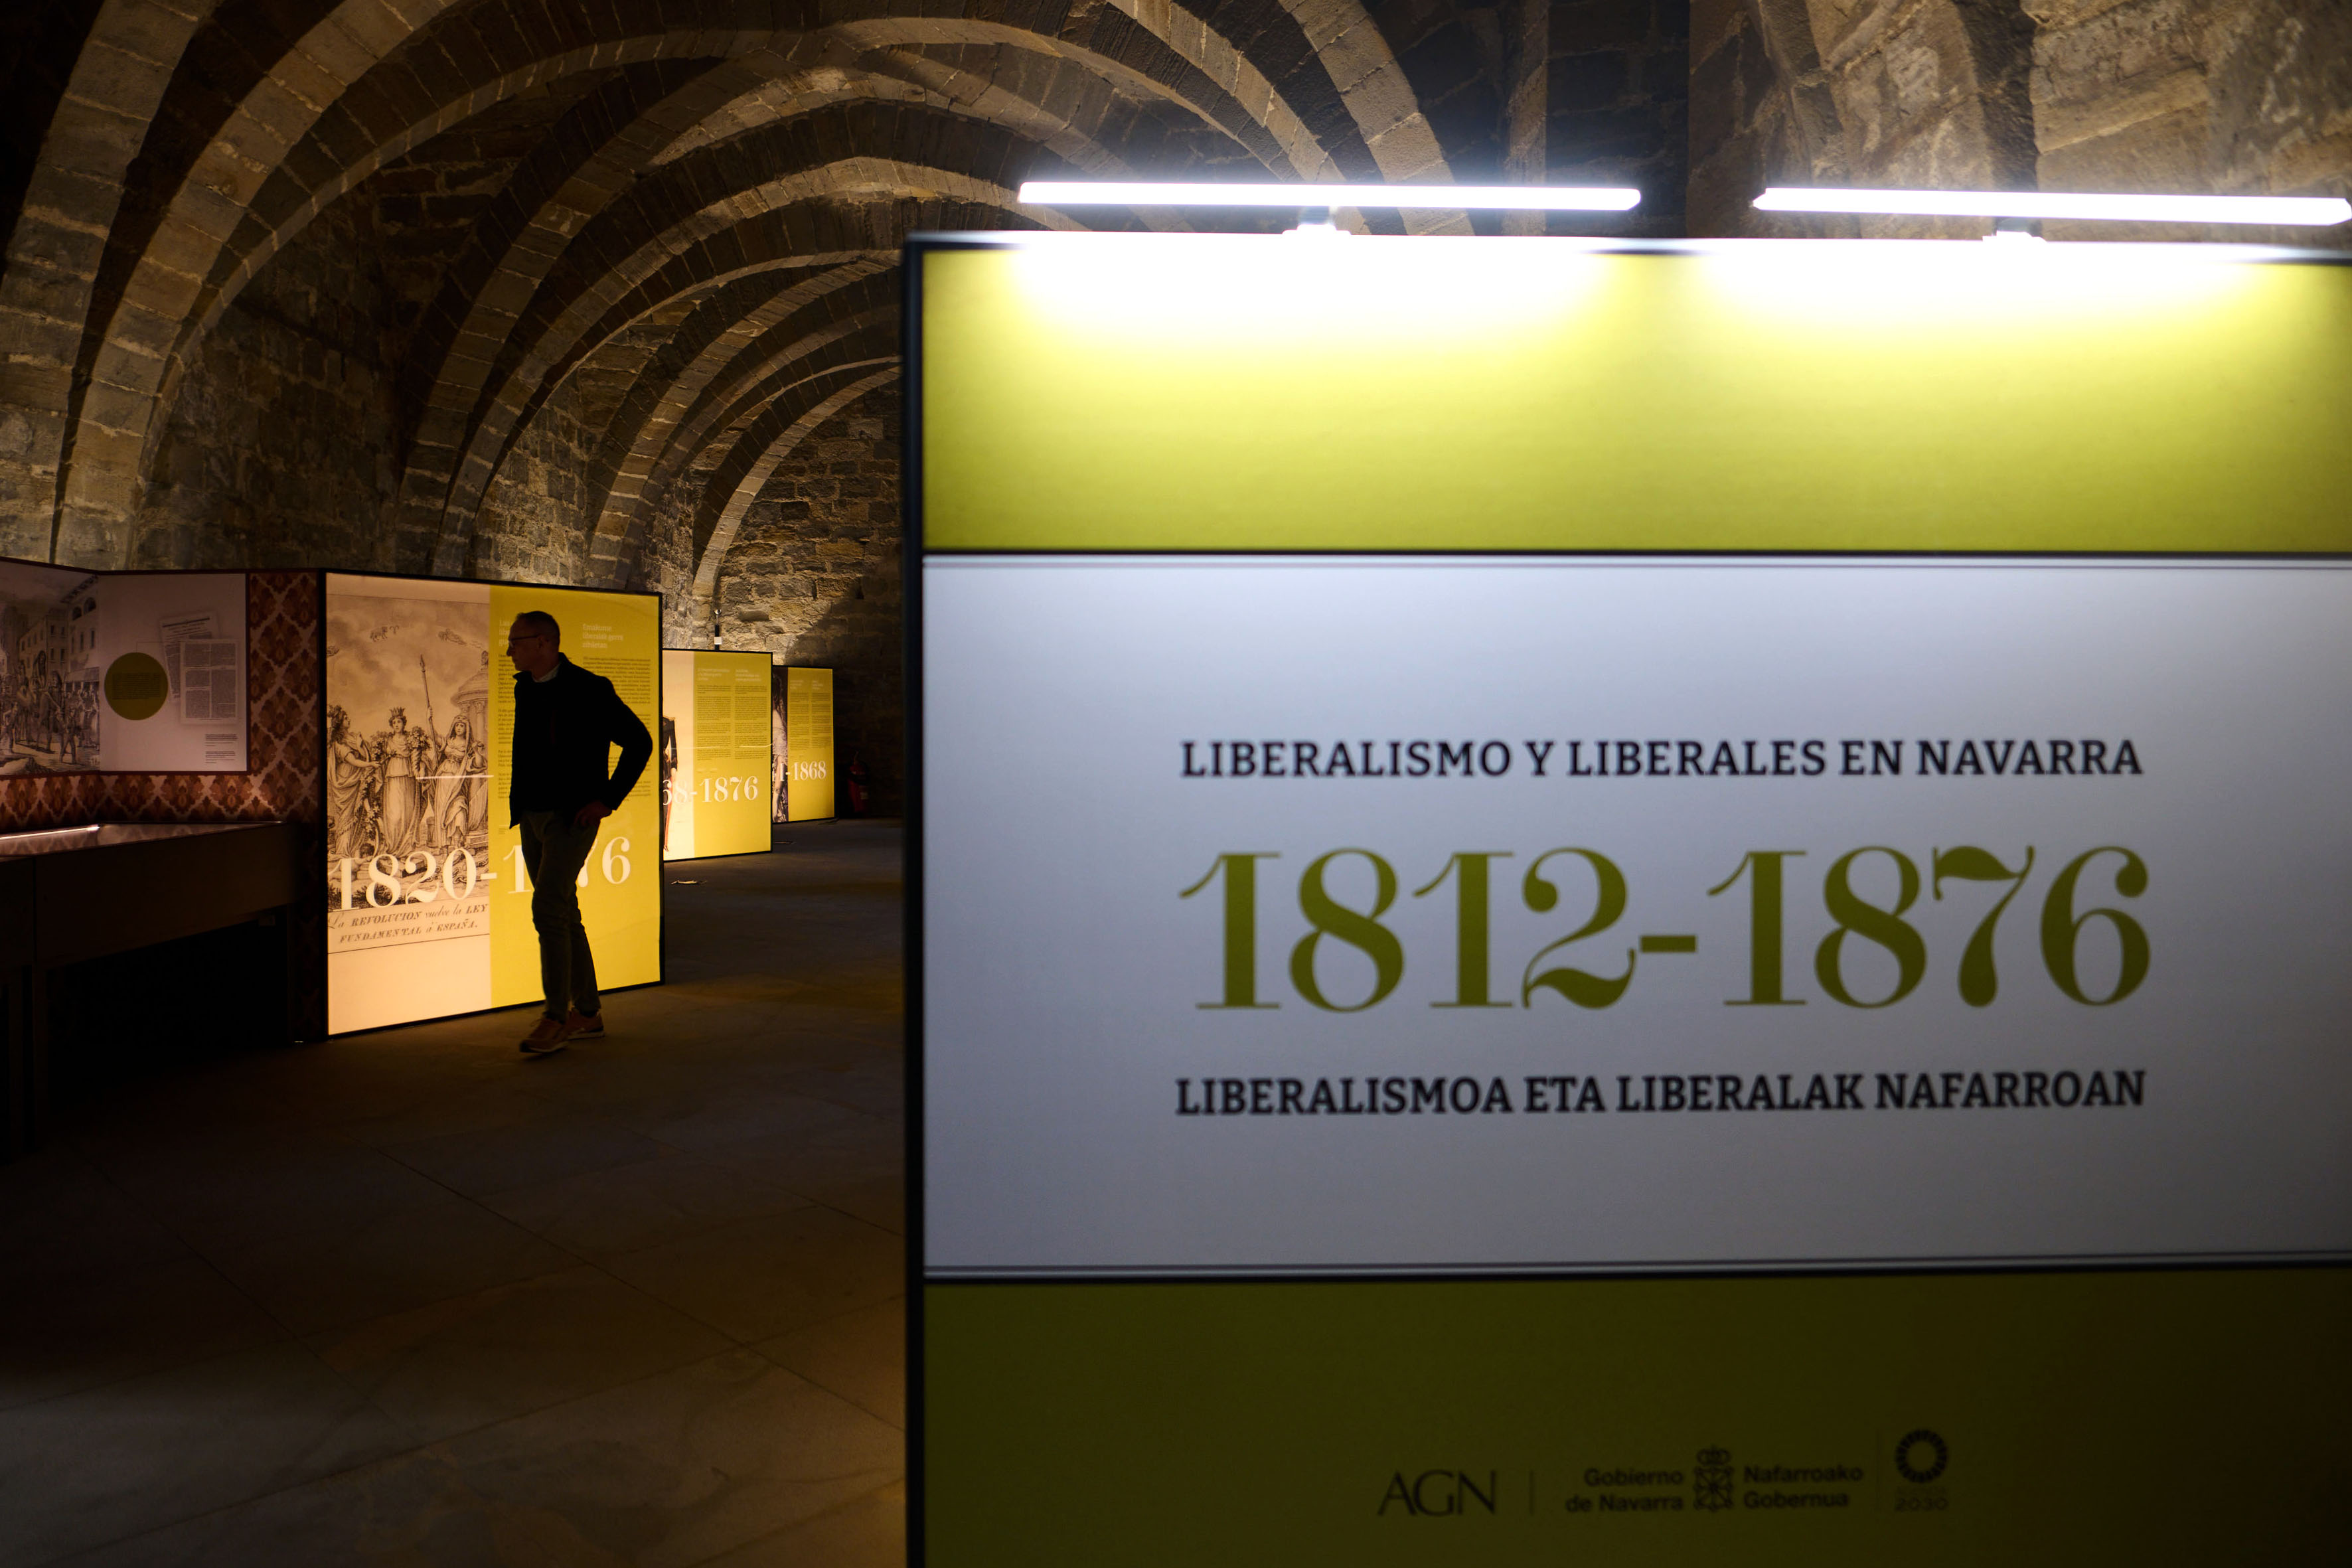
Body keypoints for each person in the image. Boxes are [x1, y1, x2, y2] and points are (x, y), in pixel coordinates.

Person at [507, 609, 652, 1055]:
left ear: (544, 642)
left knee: (549, 907)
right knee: (563, 910)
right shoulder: (525, 687)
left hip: (571, 817)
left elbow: (640, 742)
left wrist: (608, 799)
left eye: (516, 641)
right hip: (532, 816)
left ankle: (555, 1017)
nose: (509, 651)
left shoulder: (589, 688)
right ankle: (587, 1013)